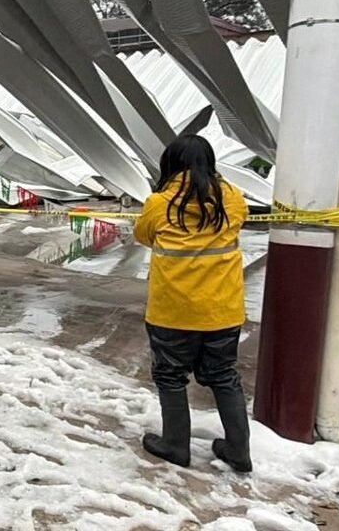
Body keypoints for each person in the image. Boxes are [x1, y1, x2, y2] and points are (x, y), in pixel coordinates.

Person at [133, 135, 252, 473]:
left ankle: (174, 445)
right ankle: (238, 451)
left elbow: (143, 235)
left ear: (171, 165)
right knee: (223, 376)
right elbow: (240, 218)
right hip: (223, 311)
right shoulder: (232, 198)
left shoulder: (161, 202)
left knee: (170, 376)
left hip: (173, 311)